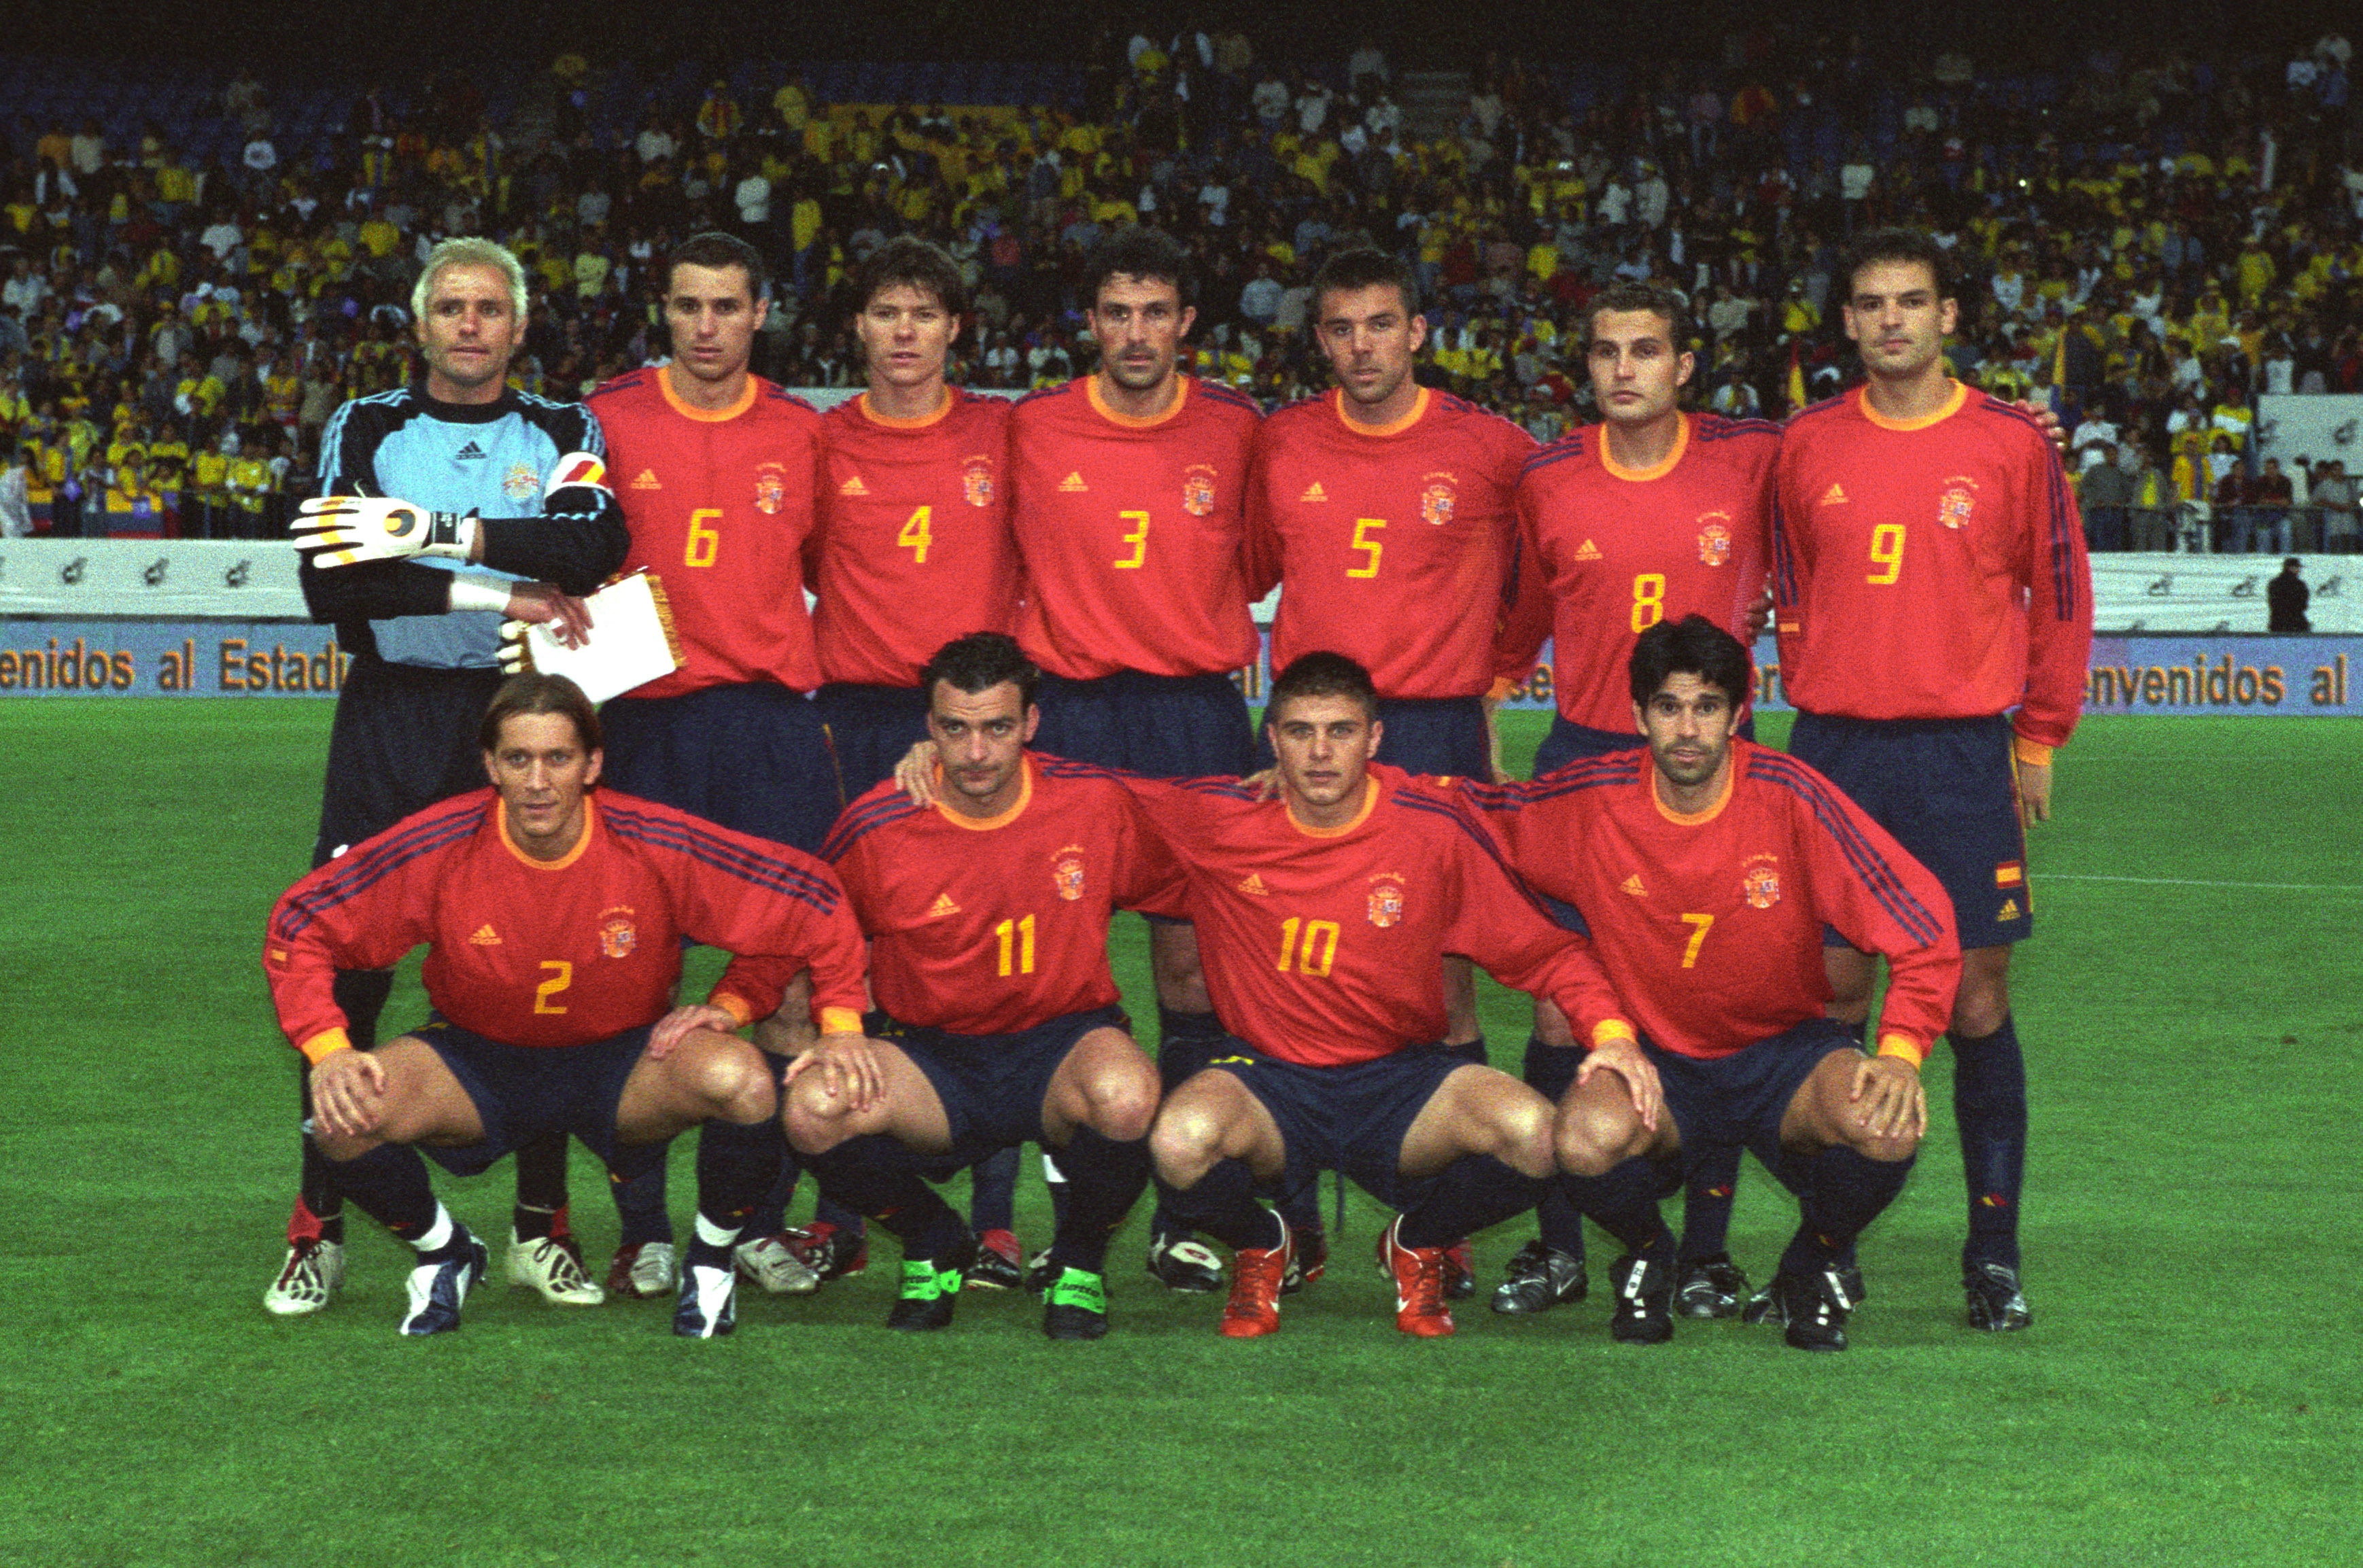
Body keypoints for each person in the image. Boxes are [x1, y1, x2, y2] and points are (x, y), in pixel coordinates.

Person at [260, 674, 874, 1338]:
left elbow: (812, 897)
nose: (537, 782)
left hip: (624, 1064)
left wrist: (795, 1017)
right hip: (479, 1062)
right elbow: (300, 919)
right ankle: (445, 1251)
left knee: (743, 1080)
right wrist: (328, 1047)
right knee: (341, 1120)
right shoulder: (442, 842)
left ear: (592, 764)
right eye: (518, 759)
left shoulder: (650, 839)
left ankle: (709, 1263)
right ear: (490, 765)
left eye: (558, 758)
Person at [269, 237, 628, 1319]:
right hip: (394, 715)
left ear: (518, 326)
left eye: (489, 308)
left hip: (520, 714)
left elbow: (591, 545)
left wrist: (428, 536)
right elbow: (333, 582)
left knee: (540, 963)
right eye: (451, 307)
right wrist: (503, 590)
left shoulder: (561, 428)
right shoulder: (369, 425)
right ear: (421, 324)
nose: (470, 325)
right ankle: (318, 1225)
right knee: (350, 973)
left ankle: (541, 1225)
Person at [1453, 616, 1958, 1349]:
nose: (1687, 730)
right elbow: (1475, 815)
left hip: (1782, 1055)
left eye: (1706, 707)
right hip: (1660, 1065)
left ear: (1737, 713)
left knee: (1888, 1124)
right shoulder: (1593, 799)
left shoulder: (1790, 795)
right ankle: (1650, 1252)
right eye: (1668, 707)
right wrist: (1351, 787)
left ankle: (1810, 1263)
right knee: (1582, 1140)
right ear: (1638, 716)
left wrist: (1902, 1050)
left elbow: (1921, 916)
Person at [1773, 228, 2091, 1331]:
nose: (1891, 319)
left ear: (1948, 315)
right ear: (1848, 322)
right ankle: (1830, 1241)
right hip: (1834, 755)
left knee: (1973, 1000)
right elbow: (1785, 578)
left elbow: (2060, 590)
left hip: (1959, 755)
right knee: (1830, 995)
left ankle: (1992, 1254)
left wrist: (2038, 737)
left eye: (1911, 300)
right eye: (1871, 303)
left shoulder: (2010, 442)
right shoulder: (1806, 442)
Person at [1135, 652, 1629, 1338]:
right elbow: (1089, 802)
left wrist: (1612, 1036)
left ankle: (1416, 1242)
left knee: (1541, 1139)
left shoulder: (1428, 828)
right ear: (1271, 739)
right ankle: (1263, 1244)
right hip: (1268, 1081)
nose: (1319, 752)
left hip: (1398, 1080)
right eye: (1300, 731)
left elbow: (1545, 951)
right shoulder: (1222, 820)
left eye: (1339, 731)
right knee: (1176, 1142)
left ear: (1374, 737)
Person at [1487, 280, 1783, 1322]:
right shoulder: (1549, 474)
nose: (1624, 368)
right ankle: (1559, 1243)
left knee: (1712, 1002)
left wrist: (2031, 424)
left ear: (1685, 366)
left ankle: (1703, 1254)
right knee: (1556, 1005)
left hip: (1711, 768)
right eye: (1607, 350)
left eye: (1646, 349)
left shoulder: (1755, 457)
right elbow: (1524, 608)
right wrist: (1488, 690)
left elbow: (1871, 452)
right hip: (1585, 765)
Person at [581, 231, 858, 1301]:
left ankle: (755, 1220)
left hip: (768, 727)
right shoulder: (608, 418)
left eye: (727, 306)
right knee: (630, 975)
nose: (707, 326)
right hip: (644, 723)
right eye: (689, 305)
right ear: (664, 308)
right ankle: (644, 1229)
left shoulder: (800, 430)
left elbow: (826, 565)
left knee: (784, 975)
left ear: (760, 313)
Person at [1005, 228, 1263, 1295]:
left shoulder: (1237, 429)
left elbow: (1265, 557)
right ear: (1092, 323)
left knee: (1194, 970)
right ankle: (1068, 1221)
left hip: (1191, 715)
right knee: (1047, 968)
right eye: (1118, 312)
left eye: (1157, 312)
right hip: (1068, 716)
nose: (1137, 332)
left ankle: (1185, 1213)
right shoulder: (1034, 425)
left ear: (1187, 321)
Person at [789, 634, 1169, 1338]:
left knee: (1127, 1097)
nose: (975, 752)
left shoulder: (1093, 802)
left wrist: (1285, 791)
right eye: (954, 729)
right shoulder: (879, 822)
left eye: (996, 728)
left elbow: (1190, 853)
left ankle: (1079, 1265)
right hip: (933, 1058)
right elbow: (808, 919)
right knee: (814, 1109)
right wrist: (770, 1013)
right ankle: (934, 1240)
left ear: (1030, 723)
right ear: (928, 728)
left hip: (1061, 1044)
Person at [809, 237, 1030, 1287]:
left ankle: (994, 1219)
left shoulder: (1003, 433)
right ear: (858, 325)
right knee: (846, 953)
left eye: (925, 314)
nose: (905, 332)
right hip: (855, 715)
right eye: (887, 312)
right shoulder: (821, 441)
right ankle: (842, 1208)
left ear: (955, 329)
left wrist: (962, 720)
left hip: (972, 716)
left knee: (985, 957)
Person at [2268, 557, 2311, 632]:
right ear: (2290, 568)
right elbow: (2303, 604)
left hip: (2277, 623)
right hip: (2295, 623)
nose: (2299, 570)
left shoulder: (2275, 583)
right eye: (2297, 567)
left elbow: (2273, 603)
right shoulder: (2299, 584)